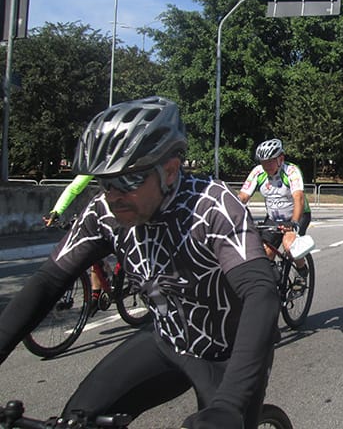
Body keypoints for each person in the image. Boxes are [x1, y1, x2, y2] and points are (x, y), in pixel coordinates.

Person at [0, 96, 279, 429]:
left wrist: (229, 405)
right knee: (76, 418)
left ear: (170, 171)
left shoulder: (213, 205)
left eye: (127, 181)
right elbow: (48, 282)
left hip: (229, 353)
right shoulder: (103, 211)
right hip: (165, 339)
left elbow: (260, 292)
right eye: (105, 182)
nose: (113, 196)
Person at [238, 138, 311, 274]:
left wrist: (293, 223)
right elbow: (243, 196)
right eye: (263, 162)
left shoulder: (291, 171)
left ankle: (302, 271)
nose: (267, 165)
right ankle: (274, 280)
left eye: (270, 161)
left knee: (290, 246)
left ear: (281, 159)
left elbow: (299, 198)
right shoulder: (258, 172)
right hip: (274, 217)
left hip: (298, 215)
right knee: (264, 252)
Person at [43, 174, 109, 314]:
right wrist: (56, 211)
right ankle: (96, 295)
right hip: (101, 211)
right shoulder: (97, 163)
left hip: (127, 209)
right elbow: (74, 187)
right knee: (93, 253)